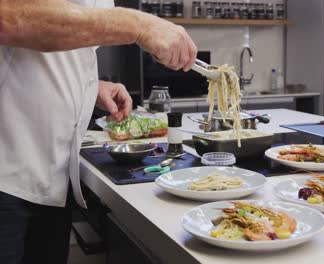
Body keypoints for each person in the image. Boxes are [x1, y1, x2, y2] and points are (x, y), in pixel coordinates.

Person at [0, 1, 197, 263]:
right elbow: (9, 17)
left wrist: (90, 86)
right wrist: (139, 25)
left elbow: (49, 55)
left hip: (51, 177)